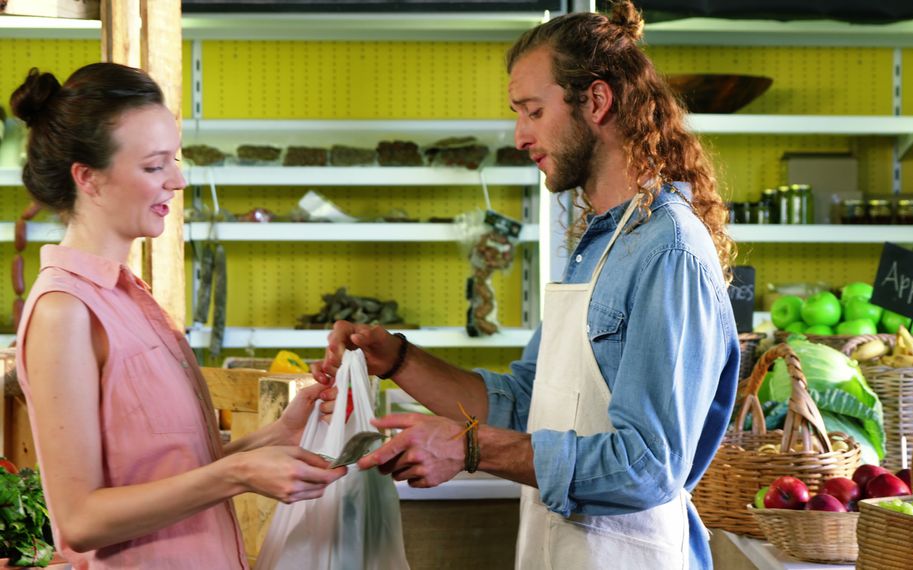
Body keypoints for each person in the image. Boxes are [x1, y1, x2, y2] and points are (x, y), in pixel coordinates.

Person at [315, 2, 739, 568]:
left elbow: (648, 466)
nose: (520, 135)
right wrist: (397, 360)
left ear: (595, 101)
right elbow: (524, 405)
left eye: (533, 112)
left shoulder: (668, 252)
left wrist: (467, 447)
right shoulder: (598, 245)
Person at [12, 63, 346, 569]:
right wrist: (239, 475)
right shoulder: (66, 310)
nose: (178, 180)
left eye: (175, 160)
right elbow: (80, 521)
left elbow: (165, 476)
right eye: (153, 166)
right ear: (89, 178)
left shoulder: (129, 297)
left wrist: (271, 440)